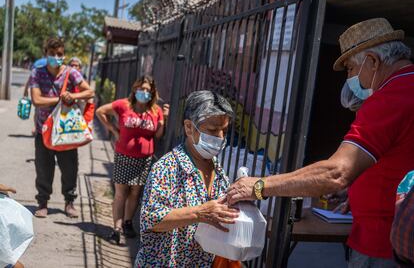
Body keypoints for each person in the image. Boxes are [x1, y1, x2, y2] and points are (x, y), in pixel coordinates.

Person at [227, 18, 414, 267]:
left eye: (349, 68)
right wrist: (361, 191)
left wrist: (259, 185)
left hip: (384, 245)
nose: (349, 78)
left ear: (372, 61)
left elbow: (336, 172)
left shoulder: (388, 98)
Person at [135, 90, 239, 267]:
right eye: (213, 130)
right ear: (189, 127)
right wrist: (199, 213)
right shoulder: (167, 167)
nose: (220, 137)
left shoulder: (218, 170)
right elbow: (150, 218)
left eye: (224, 130)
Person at [96, 75, 169, 244]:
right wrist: (113, 130)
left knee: (135, 192)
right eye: (141, 88)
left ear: (152, 92)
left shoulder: (155, 111)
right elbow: (100, 111)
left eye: (147, 90)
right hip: (124, 157)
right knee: (121, 193)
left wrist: (163, 118)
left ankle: (128, 222)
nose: (144, 92)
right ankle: (117, 228)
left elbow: (158, 135)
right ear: (135, 89)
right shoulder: (123, 105)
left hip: (144, 159)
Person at [30, 37, 94, 218]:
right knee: (43, 168)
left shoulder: (71, 73)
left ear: (63, 55)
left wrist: (74, 96)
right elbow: (37, 100)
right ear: (46, 54)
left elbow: (89, 91)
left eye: (59, 54)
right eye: (52, 54)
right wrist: (59, 99)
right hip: (45, 131)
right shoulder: (37, 73)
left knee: (69, 168)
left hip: (67, 131)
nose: (56, 57)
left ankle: (69, 202)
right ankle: (42, 203)